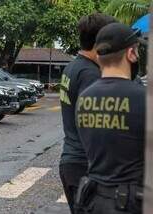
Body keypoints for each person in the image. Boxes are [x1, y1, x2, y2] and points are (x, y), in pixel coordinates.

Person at [75, 23, 145, 214]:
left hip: (93, 200)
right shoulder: (143, 98)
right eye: (137, 51)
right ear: (131, 54)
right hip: (131, 202)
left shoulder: (84, 99)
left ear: (98, 56)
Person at [59, 13, 117, 214]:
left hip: (73, 162)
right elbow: (96, 126)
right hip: (86, 166)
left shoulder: (72, 67)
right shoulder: (90, 75)